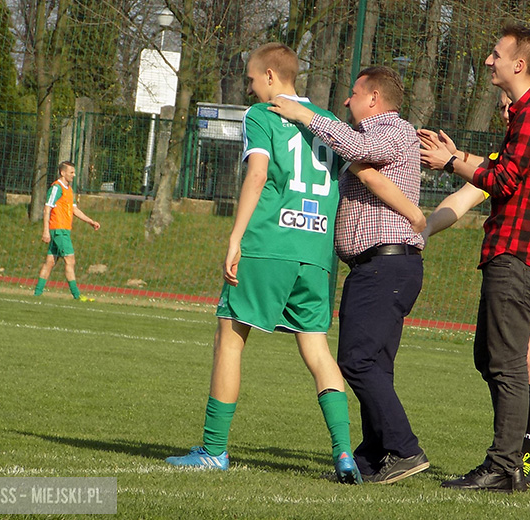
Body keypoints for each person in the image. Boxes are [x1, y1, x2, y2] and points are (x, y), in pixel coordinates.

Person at [164, 43, 365, 484]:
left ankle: (214, 450)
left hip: (268, 243)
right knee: (316, 350)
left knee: (230, 338)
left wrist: (235, 238)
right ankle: (344, 453)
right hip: (316, 254)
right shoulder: (330, 123)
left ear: (272, 77)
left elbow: (257, 174)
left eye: (253, 81)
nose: (251, 89)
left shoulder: (262, 116)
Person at [422, 90, 530, 492]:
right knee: (491, 358)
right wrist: (425, 228)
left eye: (510, 108)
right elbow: (464, 197)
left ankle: (528, 463)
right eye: (502, 109)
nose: (506, 114)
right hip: (520, 257)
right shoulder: (508, 157)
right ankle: (514, 460)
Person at [269, 66, 429, 484]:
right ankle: (374, 457)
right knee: (375, 364)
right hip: (379, 266)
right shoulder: (374, 140)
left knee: (356, 362)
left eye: (354, 93)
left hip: (385, 264)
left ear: (374, 98)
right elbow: (358, 159)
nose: (346, 100)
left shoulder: (392, 129)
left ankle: (406, 449)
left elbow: (357, 146)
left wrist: (306, 116)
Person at [33, 161, 100, 301]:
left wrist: (90, 221)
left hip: (64, 230)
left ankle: (37, 294)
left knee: (50, 262)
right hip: (58, 230)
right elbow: (47, 209)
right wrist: (46, 231)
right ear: (63, 173)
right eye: (71, 172)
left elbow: (74, 209)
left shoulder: (69, 190)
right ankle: (77, 295)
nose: (74, 175)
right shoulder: (56, 188)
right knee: (70, 260)